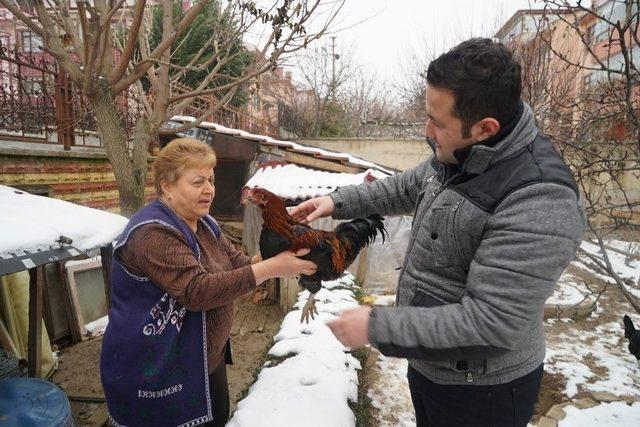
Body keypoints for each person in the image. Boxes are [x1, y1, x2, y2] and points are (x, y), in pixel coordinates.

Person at [291, 38, 586, 427]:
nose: (427, 132)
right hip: (434, 365)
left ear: (485, 128)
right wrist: (336, 202)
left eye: (437, 122)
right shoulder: (462, 152)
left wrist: (376, 326)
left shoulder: (540, 198)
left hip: (483, 392)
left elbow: (489, 325)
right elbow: (405, 187)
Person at [100, 138, 316, 427]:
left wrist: (278, 245)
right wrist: (272, 268)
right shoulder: (152, 235)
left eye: (211, 180)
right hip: (159, 367)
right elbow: (196, 291)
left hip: (202, 360)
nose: (209, 190)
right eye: (197, 181)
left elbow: (236, 264)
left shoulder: (205, 223)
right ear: (167, 186)